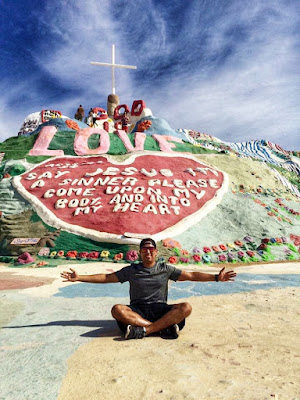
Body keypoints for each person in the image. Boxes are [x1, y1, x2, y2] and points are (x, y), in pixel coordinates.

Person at [61, 238, 236, 340]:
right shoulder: (132, 270)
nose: (148, 252)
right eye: (145, 250)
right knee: (117, 310)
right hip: (137, 312)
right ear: (140, 253)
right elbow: (107, 278)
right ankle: (161, 329)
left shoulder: (165, 269)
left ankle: (144, 331)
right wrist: (79, 277)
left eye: (151, 249)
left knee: (186, 307)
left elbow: (191, 275)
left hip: (160, 309)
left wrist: (215, 278)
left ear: (156, 253)